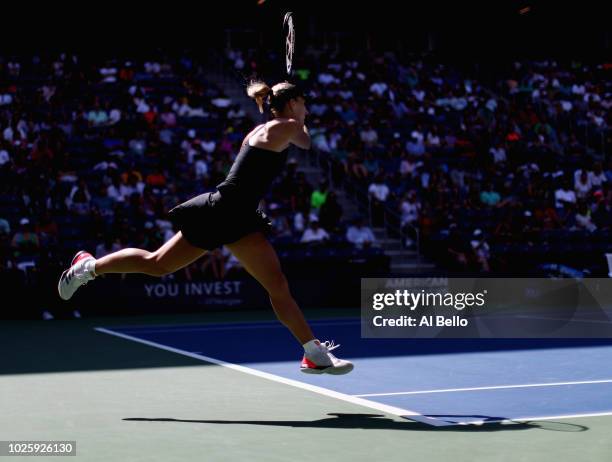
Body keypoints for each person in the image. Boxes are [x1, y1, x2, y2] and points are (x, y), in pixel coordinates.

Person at [57, 80, 353, 375]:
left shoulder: (264, 130)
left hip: (240, 217)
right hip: (222, 211)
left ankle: (313, 354)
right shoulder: (286, 126)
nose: (307, 109)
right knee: (157, 264)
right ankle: (88, 267)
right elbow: (306, 141)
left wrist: (289, 109)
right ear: (292, 103)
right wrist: (297, 120)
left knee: (276, 285)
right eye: (304, 102)